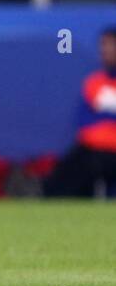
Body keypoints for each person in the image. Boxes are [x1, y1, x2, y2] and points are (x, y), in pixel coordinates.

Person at [43, 28, 116, 197]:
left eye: (111, 45)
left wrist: (103, 114)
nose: (106, 50)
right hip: (93, 149)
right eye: (103, 45)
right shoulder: (94, 82)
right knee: (60, 181)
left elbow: (98, 117)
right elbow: (85, 120)